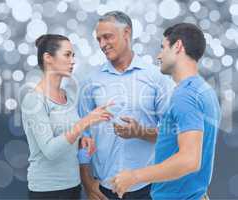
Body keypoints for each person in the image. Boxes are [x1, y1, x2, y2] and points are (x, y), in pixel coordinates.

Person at [111, 23, 221, 200]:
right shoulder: (203, 90)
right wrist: (140, 132)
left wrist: (134, 176)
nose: (159, 55)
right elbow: (181, 138)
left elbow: (189, 160)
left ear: (177, 46)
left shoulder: (185, 95)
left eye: (163, 48)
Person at [78, 11, 174, 200]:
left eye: (107, 37)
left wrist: (141, 132)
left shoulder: (157, 78)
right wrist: (87, 182)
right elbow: (84, 135)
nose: (102, 45)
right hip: (104, 190)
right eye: (98, 39)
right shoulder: (90, 81)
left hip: (148, 189)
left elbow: (172, 134)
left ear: (127, 33)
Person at [21, 34, 113, 199]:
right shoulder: (34, 100)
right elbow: (50, 150)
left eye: (73, 55)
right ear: (48, 58)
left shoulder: (68, 96)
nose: (73, 61)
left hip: (73, 187)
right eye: (67, 55)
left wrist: (81, 141)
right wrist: (85, 122)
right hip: (47, 191)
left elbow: (67, 135)